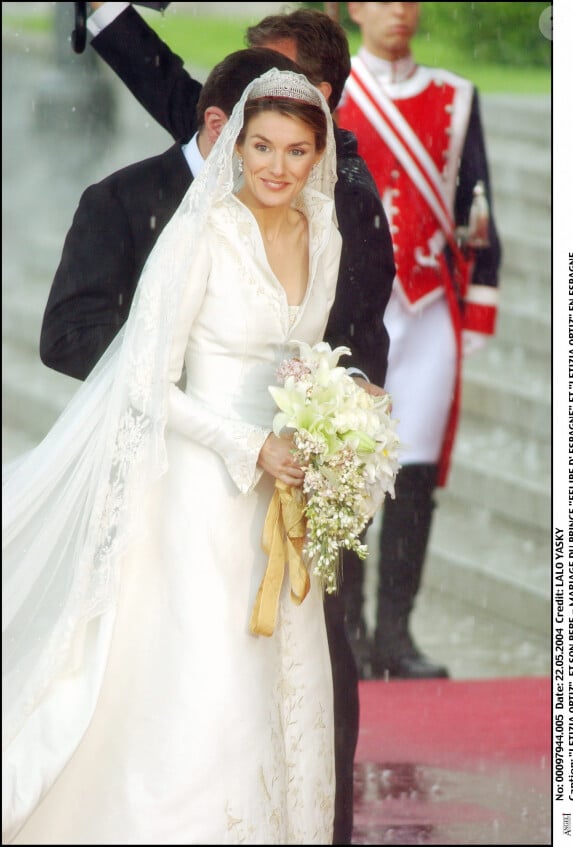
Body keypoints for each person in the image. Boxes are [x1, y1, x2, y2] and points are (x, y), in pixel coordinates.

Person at [42, 6, 397, 843]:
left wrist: (345, 421)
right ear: (233, 137)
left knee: (297, 681)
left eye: (298, 149)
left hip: (292, 496)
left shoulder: (332, 225)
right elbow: (140, 375)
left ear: (324, 143)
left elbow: (332, 348)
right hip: (199, 491)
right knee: (208, 684)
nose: (278, 164)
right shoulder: (203, 233)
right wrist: (252, 444)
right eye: (261, 145)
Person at [337, 2, 502, 680]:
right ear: (354, 9)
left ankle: (396, 635)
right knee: (348, 468)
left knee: (416, 471)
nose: (398, 12)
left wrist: (481, 310)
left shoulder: (456, 97)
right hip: (356, 307)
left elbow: (477, 205)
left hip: (431, 307)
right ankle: (347, 626)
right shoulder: (336, 88)